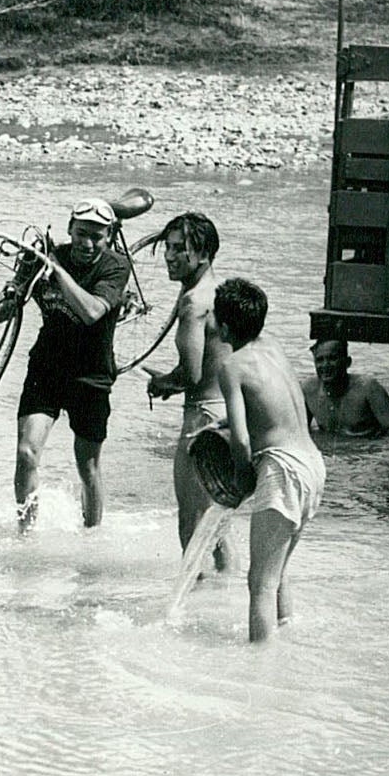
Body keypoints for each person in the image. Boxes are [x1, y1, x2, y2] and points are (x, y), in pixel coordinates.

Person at [212, 278, 326, 644]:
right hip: (312, 464)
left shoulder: (232, 366)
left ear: (225, 327)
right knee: (277, 573)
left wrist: (242, 481)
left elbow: (242, 441)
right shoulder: (273, 347)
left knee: (259, 582)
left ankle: (260, 672)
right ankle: (286, 649)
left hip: (283, 469)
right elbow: (277, 407)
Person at [13, 199, 134, 531]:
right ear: (69, 229)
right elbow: (12, 304)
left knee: (88, 466)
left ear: (109, 238)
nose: (88, 243)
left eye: (97, 236)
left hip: (91, 375)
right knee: (26, 455)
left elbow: (93, 311)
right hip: (47, 369)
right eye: (81, 234)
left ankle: (91, 538)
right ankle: (24, 538)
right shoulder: (49, 257)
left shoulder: (116, 266)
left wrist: (57, 272)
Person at [143, 212, 228, 571]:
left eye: (180, 249)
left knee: (191, 521)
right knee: (217, 521)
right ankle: (221, 597)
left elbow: (191, 374)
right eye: (167, 248)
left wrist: (162, 381)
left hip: (201, 417)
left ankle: (192, 602)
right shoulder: (216, 292)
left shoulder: (194, 304)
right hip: (227, 411)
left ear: (204, 253)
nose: (169, 256)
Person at [302, 340, 389, 438]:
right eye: (319, 360)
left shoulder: (368, 388)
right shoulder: (308, 390)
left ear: (347, 362)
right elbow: (299, 431)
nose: (325, 365)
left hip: (364, 450)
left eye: (332, 358)